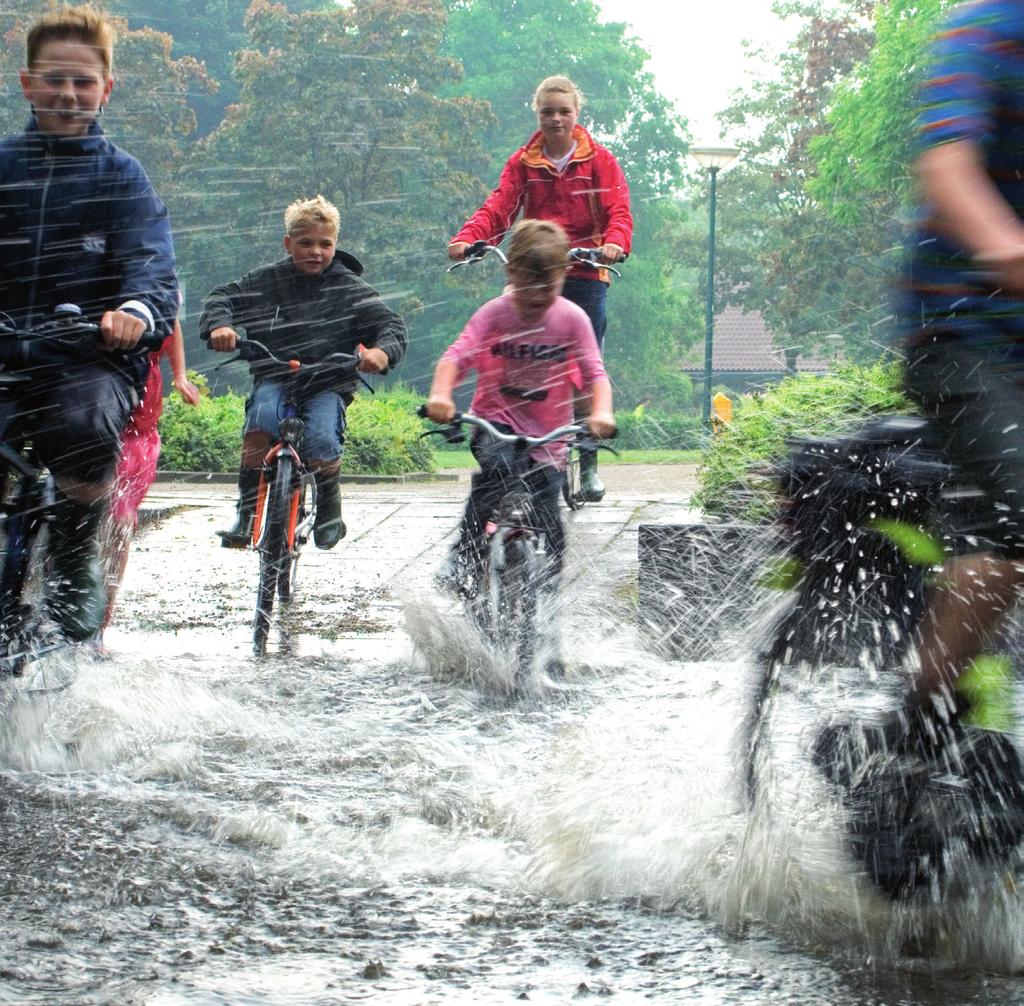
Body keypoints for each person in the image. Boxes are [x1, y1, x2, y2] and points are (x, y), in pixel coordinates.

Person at [0, 5, 178, 642]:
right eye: (54, 79)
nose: (68, 94)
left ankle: (76, 558)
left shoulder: (124, 180)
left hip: (89, 358)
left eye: (83, 81)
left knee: (80, 428)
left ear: (107, 88)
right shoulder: (4, 167)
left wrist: (134, 312)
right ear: (27, 84)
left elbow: (154, 268)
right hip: (6, 350)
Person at [426, 219, 615, 642]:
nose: (536, 297)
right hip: (494, 421)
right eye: (528, 285)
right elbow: (456, 357)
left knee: (550, 516)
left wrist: (601, 414)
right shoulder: (494, 314)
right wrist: (442, 396)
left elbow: (594, 373)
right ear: (510, 272)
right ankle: (465, 559)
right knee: (493, 476)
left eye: (547, 288)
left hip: (550, 435)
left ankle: (547, 608)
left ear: (562, 278)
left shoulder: (571, 319)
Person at [448, 74, 631, 504]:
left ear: (576, 114)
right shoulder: (523, 163)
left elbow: (617, 209)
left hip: (584, 271)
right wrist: (470, 237)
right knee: (508, 349)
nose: (555, 118)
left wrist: (614, 244)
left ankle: (587, 463)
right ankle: (501, 433)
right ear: (537, 114)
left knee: (586, 369)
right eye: (547, 111)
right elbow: (500, 205)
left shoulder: (599, 160)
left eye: (563, 111)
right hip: (533, 268)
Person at [199, 195, 407, 550]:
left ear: (335, 245)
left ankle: (329, 508)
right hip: (276, 375)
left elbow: (389, 324)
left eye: (325, 244)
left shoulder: (349, 287)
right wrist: (221, 326)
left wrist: (380, 352)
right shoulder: (266, 280)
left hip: (328, 381)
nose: (315, 251)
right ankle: (246, 513)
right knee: (260, 424)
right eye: (305, 243)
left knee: (322, 441)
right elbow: (223, 298)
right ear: (288, 243)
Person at [97, 318, 200, 646]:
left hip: (138, 429)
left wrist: (180, 375)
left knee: (119, 521)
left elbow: (173, 325)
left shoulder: (150, 286)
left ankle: (101, 617)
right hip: (91, 400)